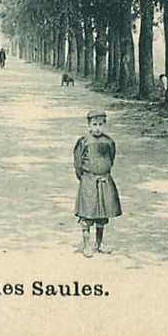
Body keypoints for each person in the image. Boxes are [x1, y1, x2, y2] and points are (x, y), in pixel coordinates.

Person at [73, 109, 122, 257]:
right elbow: (78, 162)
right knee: (87, 213)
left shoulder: (109, 142)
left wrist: (103, 172)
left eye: (101, 124)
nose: (97, 128)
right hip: (88, 181)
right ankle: (86, 245)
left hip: (104, 180)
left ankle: (99, 243)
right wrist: (86, 176)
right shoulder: (84, 141)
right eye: (94, 124)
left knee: (102, 214)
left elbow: (111, 159)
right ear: (89, 125)